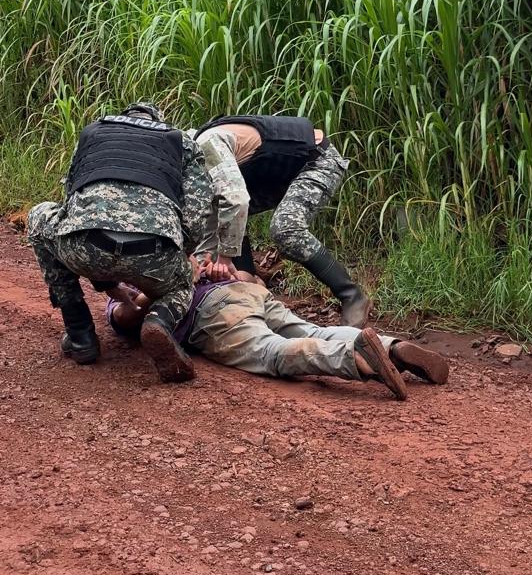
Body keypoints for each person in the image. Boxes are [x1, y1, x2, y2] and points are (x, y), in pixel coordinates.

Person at [28, 103, 212, 383]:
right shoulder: (180, 140)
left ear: (123, 119)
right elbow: (198, 213)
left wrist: (104, 279)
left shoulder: (93, 132)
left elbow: (70, 202)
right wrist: (180, 253)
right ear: (157, 120)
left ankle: (80, 335)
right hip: (154, 251)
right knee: (183, 283)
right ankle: (158, 321)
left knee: (40, 216)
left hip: (87, 245)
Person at [105, 271, 449, 401]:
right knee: (314, 329)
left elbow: (125, 320)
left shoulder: (128, 280)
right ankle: (394, 347)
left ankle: (356, 359)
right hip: (245, 293)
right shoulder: (185, 245)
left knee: (271, 350)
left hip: (214, 312)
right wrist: (220, 271)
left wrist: (177, 281)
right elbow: (251, 278)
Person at [192, 114, 370, 326]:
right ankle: (251, 284)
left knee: (286, 229)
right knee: (222, 214)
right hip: (278, 175)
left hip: (316, 161)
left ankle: (351, 295)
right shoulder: (194, 164)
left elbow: (236, 200)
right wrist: (201, 265)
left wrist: (225, 258)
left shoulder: (206, 144)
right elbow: (213, 225)